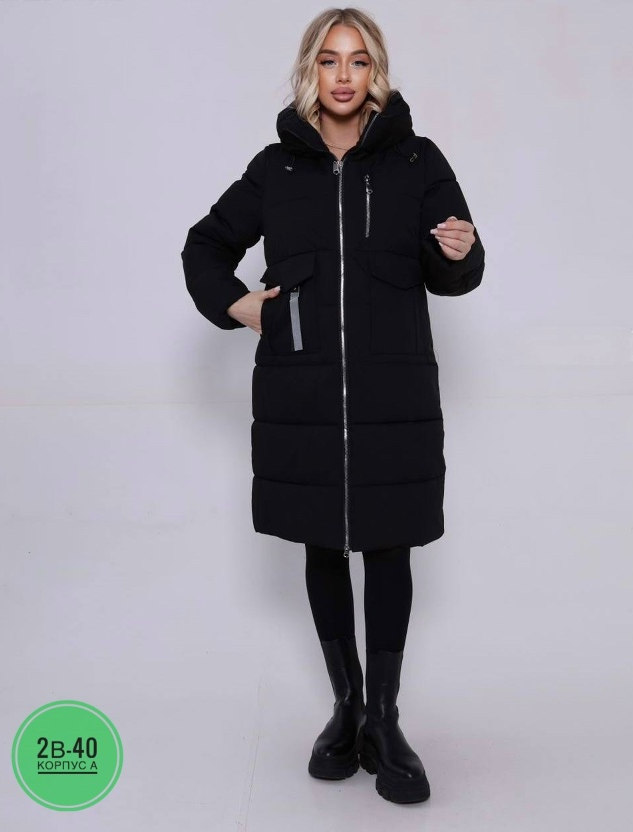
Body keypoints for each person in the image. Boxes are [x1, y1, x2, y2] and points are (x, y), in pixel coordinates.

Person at [181, 7, 485, 806]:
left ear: (375, 70)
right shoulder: (275, 169)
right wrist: (238, 305)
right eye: (328, 60)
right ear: (309, 71)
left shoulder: (418, 160)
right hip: (302, 392)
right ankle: (345, 707)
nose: (343, 75)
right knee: (322, 545)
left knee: (388, 547)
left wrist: (461, 251)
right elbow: (204, 246)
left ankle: (384, 719)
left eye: (356, 60)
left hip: (393, 395)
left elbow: (456, 269)